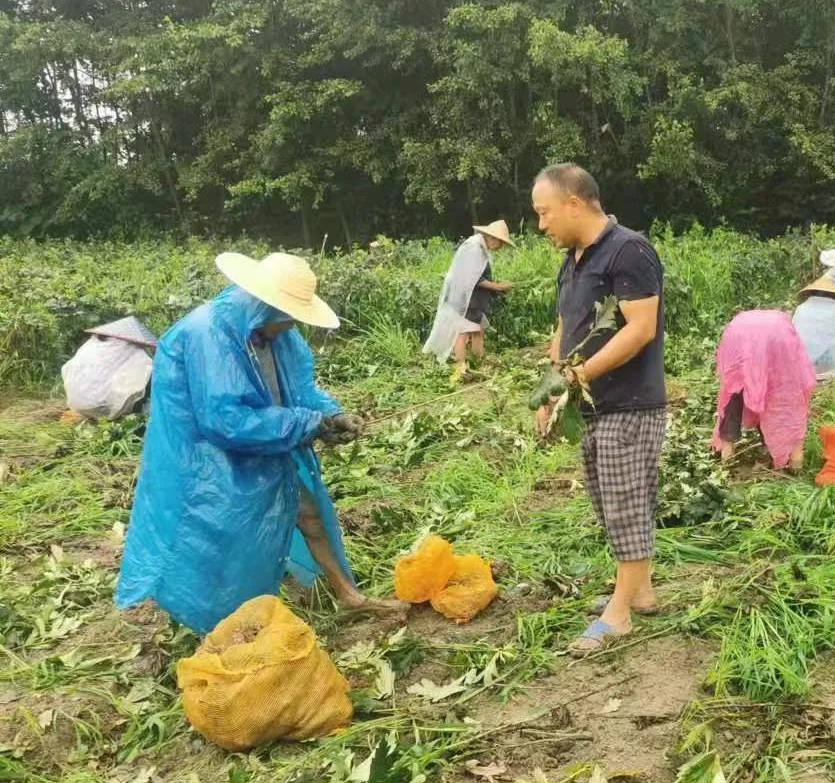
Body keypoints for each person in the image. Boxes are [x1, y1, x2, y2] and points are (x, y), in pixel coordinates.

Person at [116, 252, 381, 633]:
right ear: (267, 305)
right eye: (289, 315)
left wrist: (330, 414)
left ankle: (348, 597)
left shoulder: (278, 336)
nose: (292, 324)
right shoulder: (208, 334)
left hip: (269, 441)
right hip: (209, 464)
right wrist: (307, 423)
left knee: (307, 512)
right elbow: (225, 421)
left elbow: (301, 388)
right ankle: (221, 624)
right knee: (224, 539)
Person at [531, 164, 665, 654]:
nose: (541, 225)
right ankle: (642, 590)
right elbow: (565, 328)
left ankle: (620, 614)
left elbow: (639, 328)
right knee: (609, 504)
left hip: (630, 404)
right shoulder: (573, 260)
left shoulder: (629, 250)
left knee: (626, 506)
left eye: (545, 213)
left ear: (574, 204)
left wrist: (578, 377)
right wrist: (551, 388)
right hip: (591, 406)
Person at [713, 310, 816, 470]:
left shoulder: (742, 322)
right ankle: (796, 464)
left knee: (734, 394)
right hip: (777, 340)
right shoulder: (783, 325)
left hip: (738, 338)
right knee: (783, 401)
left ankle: (727, 460)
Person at [422, 219, 514, 379]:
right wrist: (497, 287)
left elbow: (479, 277)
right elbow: (473, 279)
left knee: (477, 331)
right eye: (501, 243)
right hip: (464, 298)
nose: (501, 247)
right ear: (493, 238)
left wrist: (497, 289)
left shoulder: (480, 247)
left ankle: (478, 361)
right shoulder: (474, 248)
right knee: (462, 331)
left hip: (472, 298)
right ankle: (460, 367)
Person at [62, 316, 157, 420]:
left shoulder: (92, 346)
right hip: (107, 407)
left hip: (79, 403)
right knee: (149, 373)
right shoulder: (131, 350)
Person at [792, 249, 835, 379]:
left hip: (804, 362)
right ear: (833, 295)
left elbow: (795, 333)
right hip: (832, 362)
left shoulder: (802, 308)